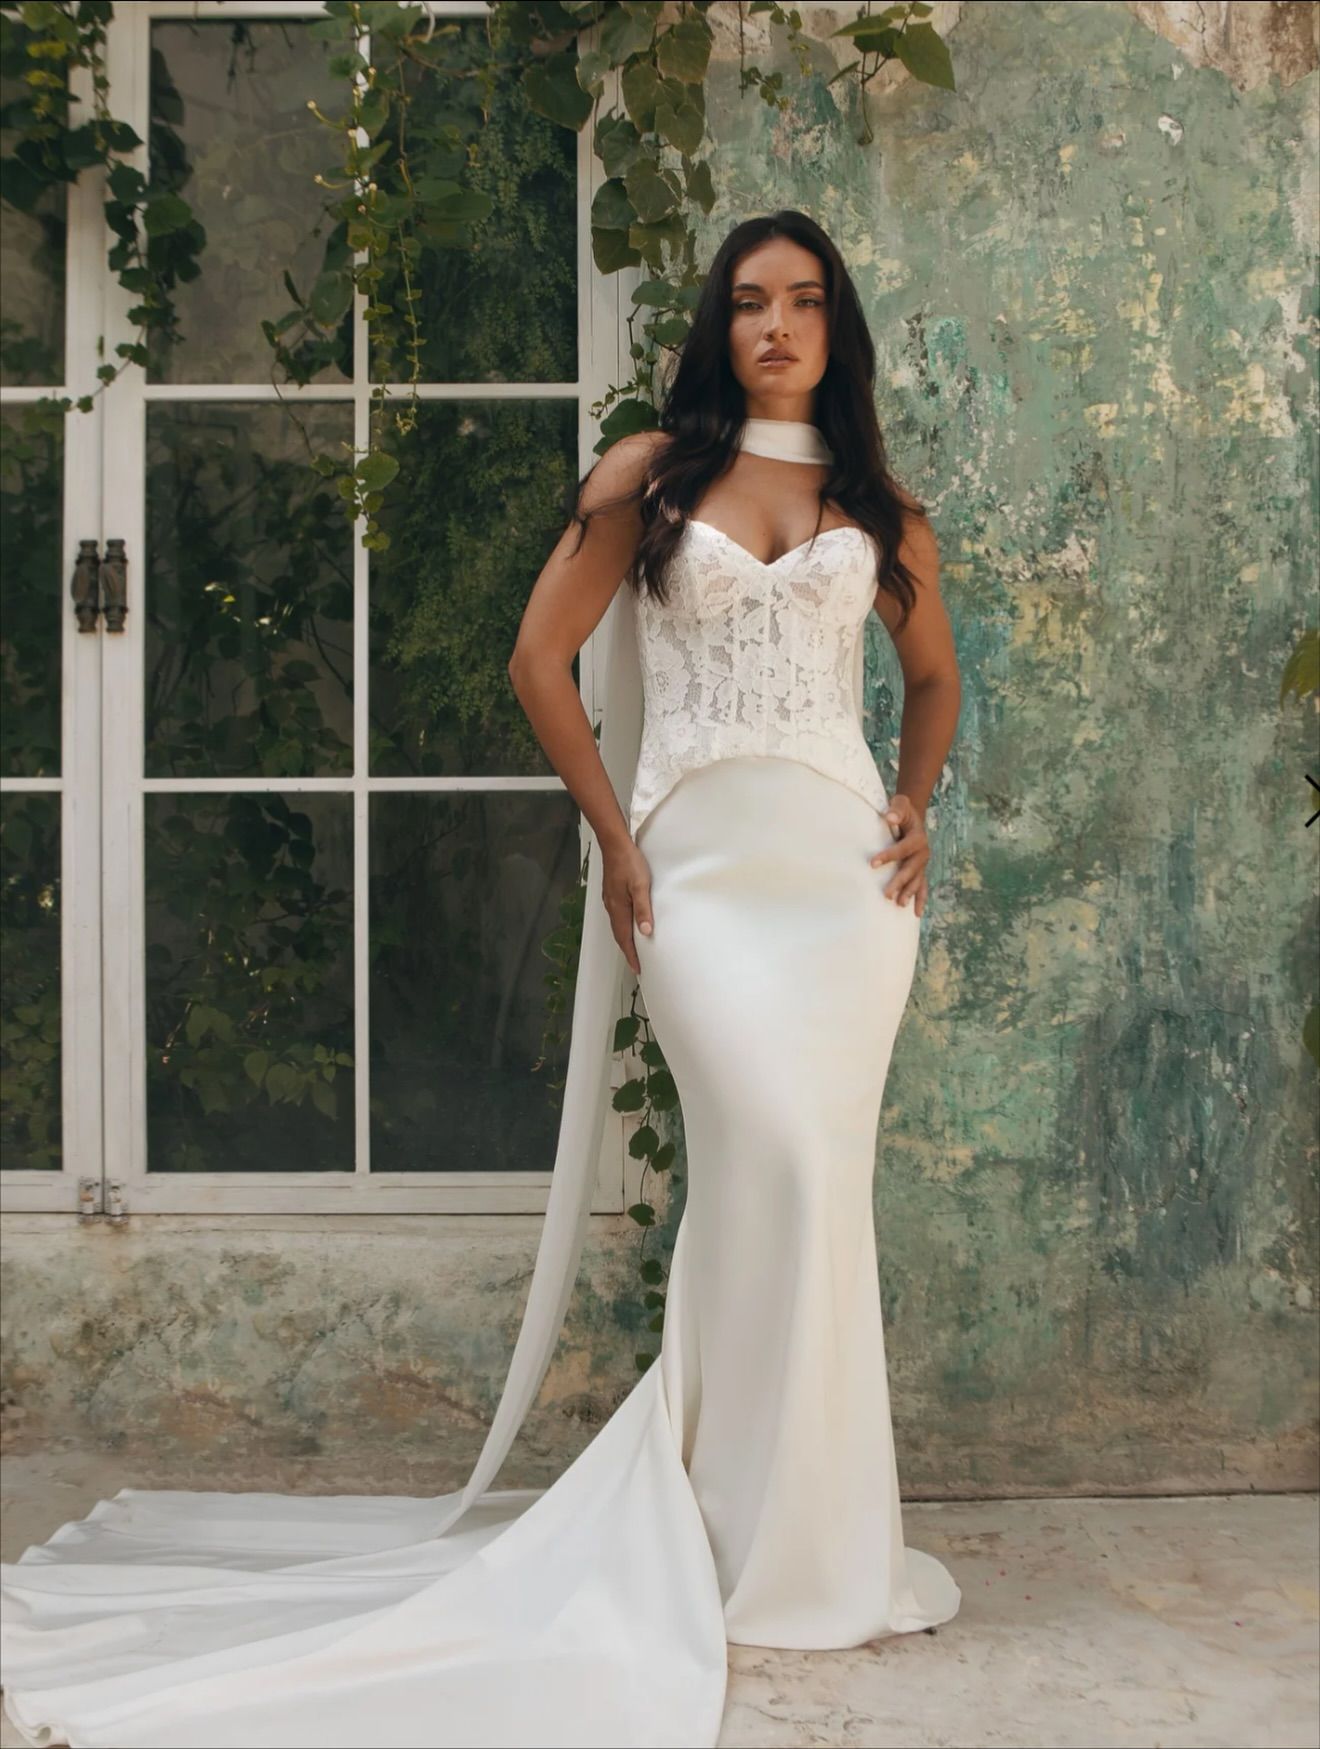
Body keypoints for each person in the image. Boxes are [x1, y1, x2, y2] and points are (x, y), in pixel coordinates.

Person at [0, 211, 962, 1749]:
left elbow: (932, 681)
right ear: (717, 326)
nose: (774, 326)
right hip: (702, 881)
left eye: (802, 302)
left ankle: (814, 1541)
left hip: (850, 894)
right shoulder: (651, 475)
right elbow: (538, 659)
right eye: (747, 303)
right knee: (760, 1157)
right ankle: (726, 1523)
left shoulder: (877, 506)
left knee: (815, 1179)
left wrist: (916, 801)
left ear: (835, 326)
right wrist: (617, 841)